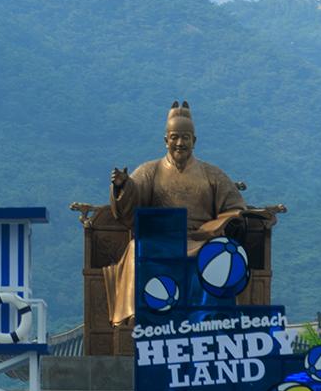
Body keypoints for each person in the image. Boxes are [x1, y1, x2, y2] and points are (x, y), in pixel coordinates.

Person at [104, 101, 248, 323]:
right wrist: (124, 186)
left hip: (200, 239)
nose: (179, 143)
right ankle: (136, 315)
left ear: (194, 141)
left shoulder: (212, 174)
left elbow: (235, 207)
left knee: (218, 254)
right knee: (135, 248)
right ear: (166, 140)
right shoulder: (150, 171)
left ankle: (207, 319)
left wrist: (221, 223)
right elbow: (130, 206)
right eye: (174, 137)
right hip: (161, 239)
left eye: (185, 138)